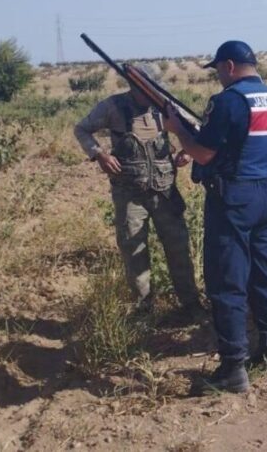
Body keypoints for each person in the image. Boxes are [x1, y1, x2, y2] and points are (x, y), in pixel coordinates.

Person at [163, 41, 267, 394]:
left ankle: (232, 368)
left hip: (232, 199)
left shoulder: (226, 101)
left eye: (217, 70)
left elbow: (203, 153)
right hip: (266, 194)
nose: (218, 76)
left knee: (226, 281)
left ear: (228, 66)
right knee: (264, 276)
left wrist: (177, 128)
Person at [72, 63, 201, 318]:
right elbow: (81, 129)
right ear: (134, 87)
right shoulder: (113, 107)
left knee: (178, 249)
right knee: (133, 252)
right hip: (129, 194)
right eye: (146, 89)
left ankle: (191, 305)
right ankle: (144, 311)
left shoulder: (167, 107)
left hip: (165, 193)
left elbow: (194, 130)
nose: (151, 94)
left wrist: (187, 151)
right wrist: (99, 155)